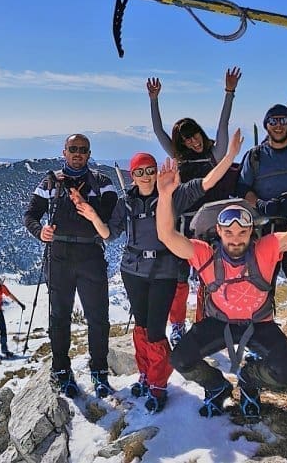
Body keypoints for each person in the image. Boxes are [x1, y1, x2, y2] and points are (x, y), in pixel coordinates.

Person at [74, 131, 244, 413]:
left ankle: (158, 384)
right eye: (139, 171)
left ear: (155, 172)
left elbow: (206, 183)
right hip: (133, 271)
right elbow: (109, 234)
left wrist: (230, 157)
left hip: (164, 270)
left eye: (149, 170)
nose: (145, 175)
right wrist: (92, 215)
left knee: (155, 332)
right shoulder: (124, 202)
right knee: (141, 328)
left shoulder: (173, 196)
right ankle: (145, 375)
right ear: (132, 174)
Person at [156, 154, 287, 421]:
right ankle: (217, 385)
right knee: (181, 359)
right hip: (218, 322)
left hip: (258, 323)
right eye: (229, 233)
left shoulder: (267, 247)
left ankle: (249, 379)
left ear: (251, 232)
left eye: (242, 232)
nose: (236, 239)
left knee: (286, 370)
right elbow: (167, 235)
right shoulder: (204, 253)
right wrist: (165, 196)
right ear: (219, 233)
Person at [147, 69, 242, 345]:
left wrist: (229, 93)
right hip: (183, 227)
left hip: (211, 225)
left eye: (195, 134)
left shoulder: (215, 154)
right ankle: (177, 325)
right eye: (187, 138)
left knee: (208, 277)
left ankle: (205, 323)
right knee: (179, 279)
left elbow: (223, 127)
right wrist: (154, 100)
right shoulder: (179, 157)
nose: (193, 141)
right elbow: (158, 131)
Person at [23, 134, 118, 397]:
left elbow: (110, 221)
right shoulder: (50, 182)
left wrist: (88, 209)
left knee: (98, 317)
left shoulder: (103, 183)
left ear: (89, 154)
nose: (78, 153)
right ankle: (61, 369)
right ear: (64, 152)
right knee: (59, 317)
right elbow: (30, 215)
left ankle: (99, 370)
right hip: (60, 255)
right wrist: (39, 231)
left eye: (83, 150)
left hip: (89, 254)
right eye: (73, 149)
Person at [236, 103, 287, 364]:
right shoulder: (255, 156)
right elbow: (243, 190)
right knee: (262, 291)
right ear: (266, 125)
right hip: (266, 232)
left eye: (283, 120)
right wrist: (260, 206)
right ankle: (261, 344)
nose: (279, 125)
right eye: (273, 121)